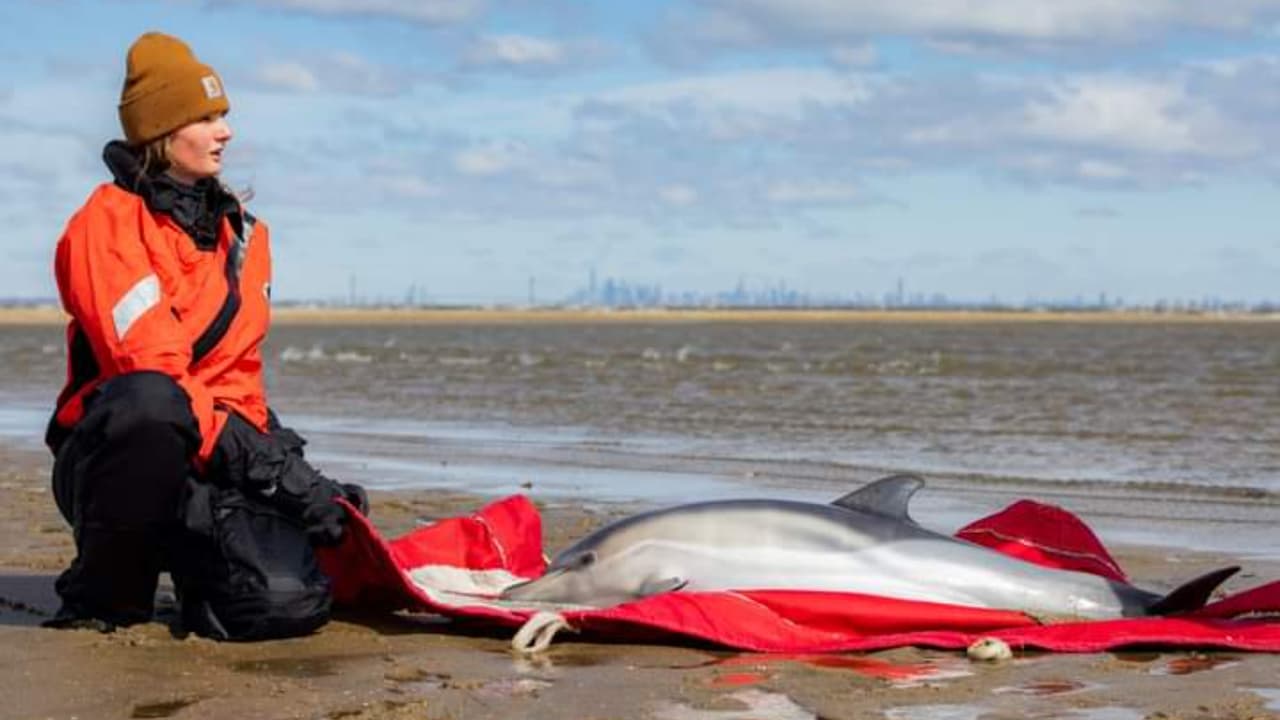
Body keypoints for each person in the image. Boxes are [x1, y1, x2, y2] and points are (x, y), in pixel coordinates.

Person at [44, 31, 367, 640]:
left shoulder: (246, 235)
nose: (226, 131)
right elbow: (152, 368)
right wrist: (265, 465)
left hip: (218, 458)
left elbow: (240, 375)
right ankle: (105, 594)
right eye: (206, 116)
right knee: (151, 404)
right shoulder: (105, 224)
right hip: (119, 457)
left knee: (284, 605)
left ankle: (204, 575)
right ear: (162, 131)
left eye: (223, 115)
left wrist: (295, 478)